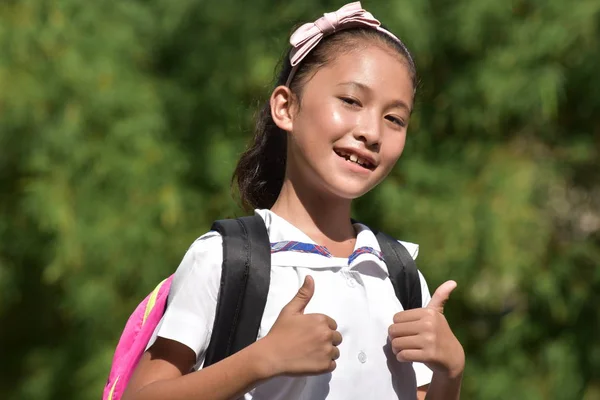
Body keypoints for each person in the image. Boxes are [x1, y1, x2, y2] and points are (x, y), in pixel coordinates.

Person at [122, 2, 465, 399]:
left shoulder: (399, 274)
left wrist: (450, 372)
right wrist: (261, 359)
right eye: (351, 101)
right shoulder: (226, 259)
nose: (372, 131)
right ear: (286, 107)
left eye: (395, 119)